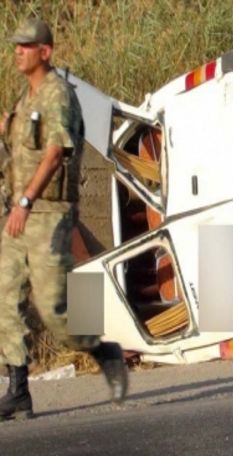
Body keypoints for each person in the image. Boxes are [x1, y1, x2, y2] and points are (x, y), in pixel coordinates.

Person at [0, 18, 128, 420]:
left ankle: (102, 350)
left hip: (47, 213)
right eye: (16, 45)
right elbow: (24, 149)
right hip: (19, 214)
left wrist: (24, 200)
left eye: (26, 45)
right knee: (5, 296)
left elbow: (55, 153)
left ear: (45, 52)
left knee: (54, 309)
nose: (18, 51)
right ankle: (18, 389)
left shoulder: (59, 96)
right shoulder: (27, 98)